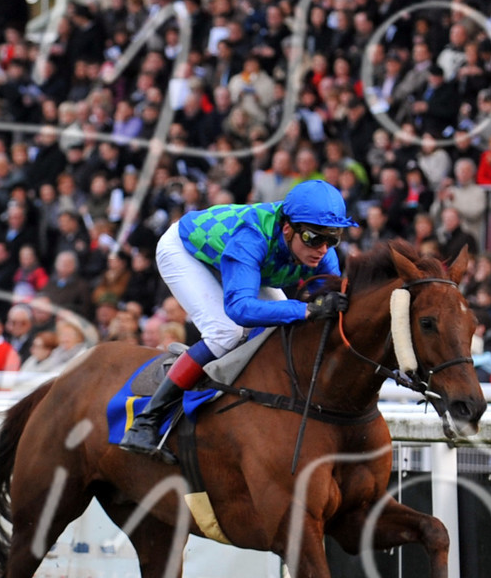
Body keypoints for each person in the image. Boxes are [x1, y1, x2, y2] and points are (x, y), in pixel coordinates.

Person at [119, 179, 359, 460]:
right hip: (185, 251)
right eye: (313, 238)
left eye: (332, 239)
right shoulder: (252, 237)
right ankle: (145, 423)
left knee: (282, 325)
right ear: (287, 228)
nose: (322, 249)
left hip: (242, 261)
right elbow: (240, 309)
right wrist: (305, 310)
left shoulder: (322, 254)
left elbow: (327, 310)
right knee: (227, 333)